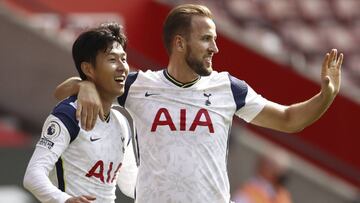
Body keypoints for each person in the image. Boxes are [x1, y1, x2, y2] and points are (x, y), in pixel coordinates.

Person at [54, 4, 343, 203]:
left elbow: (289, 119)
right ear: (180, 44)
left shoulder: (229, 88)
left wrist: (325, 96)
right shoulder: (137, 85)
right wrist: (86, 86)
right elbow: (61, 92)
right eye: (206, 39)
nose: (215, 48)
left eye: (214, 39)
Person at [23, 22, 138, 203]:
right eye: (112, 59)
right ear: (88, 69)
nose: (122, 67)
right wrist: (65, 200)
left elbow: (130, 184)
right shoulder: (68, 114)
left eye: (123, 59)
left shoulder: (121, 120)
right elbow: (33, 175)